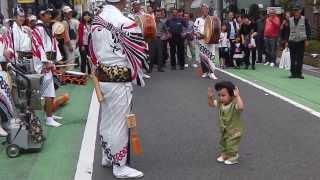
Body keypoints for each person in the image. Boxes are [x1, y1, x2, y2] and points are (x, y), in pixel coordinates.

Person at [90, 0, 149, 178]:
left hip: (104, 76)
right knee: (120, 122)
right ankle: (120, 165)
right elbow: (141, 52)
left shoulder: (96, 20)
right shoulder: (125, 22)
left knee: (108, 118)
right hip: (119, 77)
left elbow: (92, 49)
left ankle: (108, 156)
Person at [33, 5, 63, 127]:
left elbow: (50, 45)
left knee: (48, 92)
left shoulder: (45, 27)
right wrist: (46, 62)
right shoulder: (38, 29)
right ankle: (49, 118)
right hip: (44, 65)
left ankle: (48, 114)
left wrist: (55, 61)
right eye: (47, 14)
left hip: (48, 63)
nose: (50, 16)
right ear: (41, 15)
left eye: (50, 14)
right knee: (49, 93)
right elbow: (38, 47)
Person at [208, 81, 244, 165]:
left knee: (231, 145)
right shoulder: (221, 103)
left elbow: (241, 107)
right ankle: (224, 154)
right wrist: (210, 97)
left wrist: (237, 96)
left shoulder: (234, 104)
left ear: (231, 95)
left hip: (234, 131)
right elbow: (211, 104)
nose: (220, 97)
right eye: (219, 95)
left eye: (223, 95)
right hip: (224, 129)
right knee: (223, 143)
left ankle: (233, 157)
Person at [194, 3, 218, 79]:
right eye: (203, 9)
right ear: (201, 10)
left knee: (211, 55)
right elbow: (195, 30)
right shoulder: (198, 20)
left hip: (210, 41)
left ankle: (211, 72)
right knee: (203, 56)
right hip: (202, 40)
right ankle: (205, 72)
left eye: (206, 9)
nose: (205, 10)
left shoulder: (212, 19)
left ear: (208, 10)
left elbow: (216, 29)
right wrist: (198, 34)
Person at [288, 4, 311, 79]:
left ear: (300, 11)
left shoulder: (304, 19)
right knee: (292, 58)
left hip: (301, 41)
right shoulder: (290, 19)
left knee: (300, 58)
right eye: (294, 10)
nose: (296, 12)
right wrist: (285, 41)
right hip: (292, 41)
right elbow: (287, 31)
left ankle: (299, 73)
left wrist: (307, 40)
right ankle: (293, 73)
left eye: (297, 10)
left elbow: (308, 30)